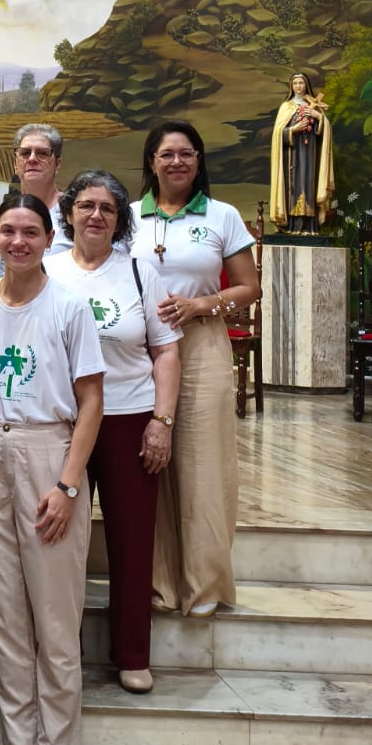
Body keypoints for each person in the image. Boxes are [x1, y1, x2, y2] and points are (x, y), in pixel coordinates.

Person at [0, 193, 104, 745]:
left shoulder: (69, 306)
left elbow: (92, 401)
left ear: (49, 238)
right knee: (3, 605)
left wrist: (69, 484)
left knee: (54, 607)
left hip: (51, 449)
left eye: (30, 232)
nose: (17, 242)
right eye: (8, 231)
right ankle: (19, 740)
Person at [47, 170, 181, 693]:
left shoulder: (141, 273)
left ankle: (131, 653)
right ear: (69, 214)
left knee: (131, 539)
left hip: (130, 419)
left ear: (121, 218)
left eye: (107, 207)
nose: (96, 215)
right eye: (86, 205)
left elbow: (165, 351)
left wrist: (161, 422)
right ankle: (62, 652)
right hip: (64, 421)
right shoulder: (48, 270)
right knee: (60, 542)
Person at [131, 122, 260, 617]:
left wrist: (201, 304)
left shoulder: (222, 215)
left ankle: (204, 586)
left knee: (203, 464)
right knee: (150, 464)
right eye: (167, 154)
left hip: (202, 344)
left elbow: (249, 287)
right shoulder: (129, 216)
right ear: (152, 161)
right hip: (141, 350)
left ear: (199, 161)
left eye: (187, 153)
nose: (177, 162)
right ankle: (159, 584)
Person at [0, 124, 71, 278]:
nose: (32, 159)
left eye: (42, 153)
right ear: (16, 164)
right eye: (25, 153)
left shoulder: (73, 215)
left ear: (57, 164)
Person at [270, 72, 334, 234]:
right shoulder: (286, 107)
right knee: (293, 186)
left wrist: (318, 117)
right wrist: (293, 129)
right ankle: (291, 226)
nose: (298, 86)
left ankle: (310, 227)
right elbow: (277, 135)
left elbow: (324, 133)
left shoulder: (313, 105)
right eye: (295, 83)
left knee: (309, 183)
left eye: (301, 83)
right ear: (291, 86)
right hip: (291, 156)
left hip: (310, 154)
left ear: (306, 85)